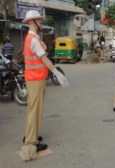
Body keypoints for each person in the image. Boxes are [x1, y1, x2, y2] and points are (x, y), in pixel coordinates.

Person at [20, 10, 69, 161]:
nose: (41, 22)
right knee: (35, 111)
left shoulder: (32, 37)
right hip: (35, 80)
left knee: (33, 110)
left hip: (33, 79)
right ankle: (31, 142)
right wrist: (57, 73)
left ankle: (31, 135)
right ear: (31, 22)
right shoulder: (33, 39)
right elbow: (44, 60)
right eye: (38, 20)